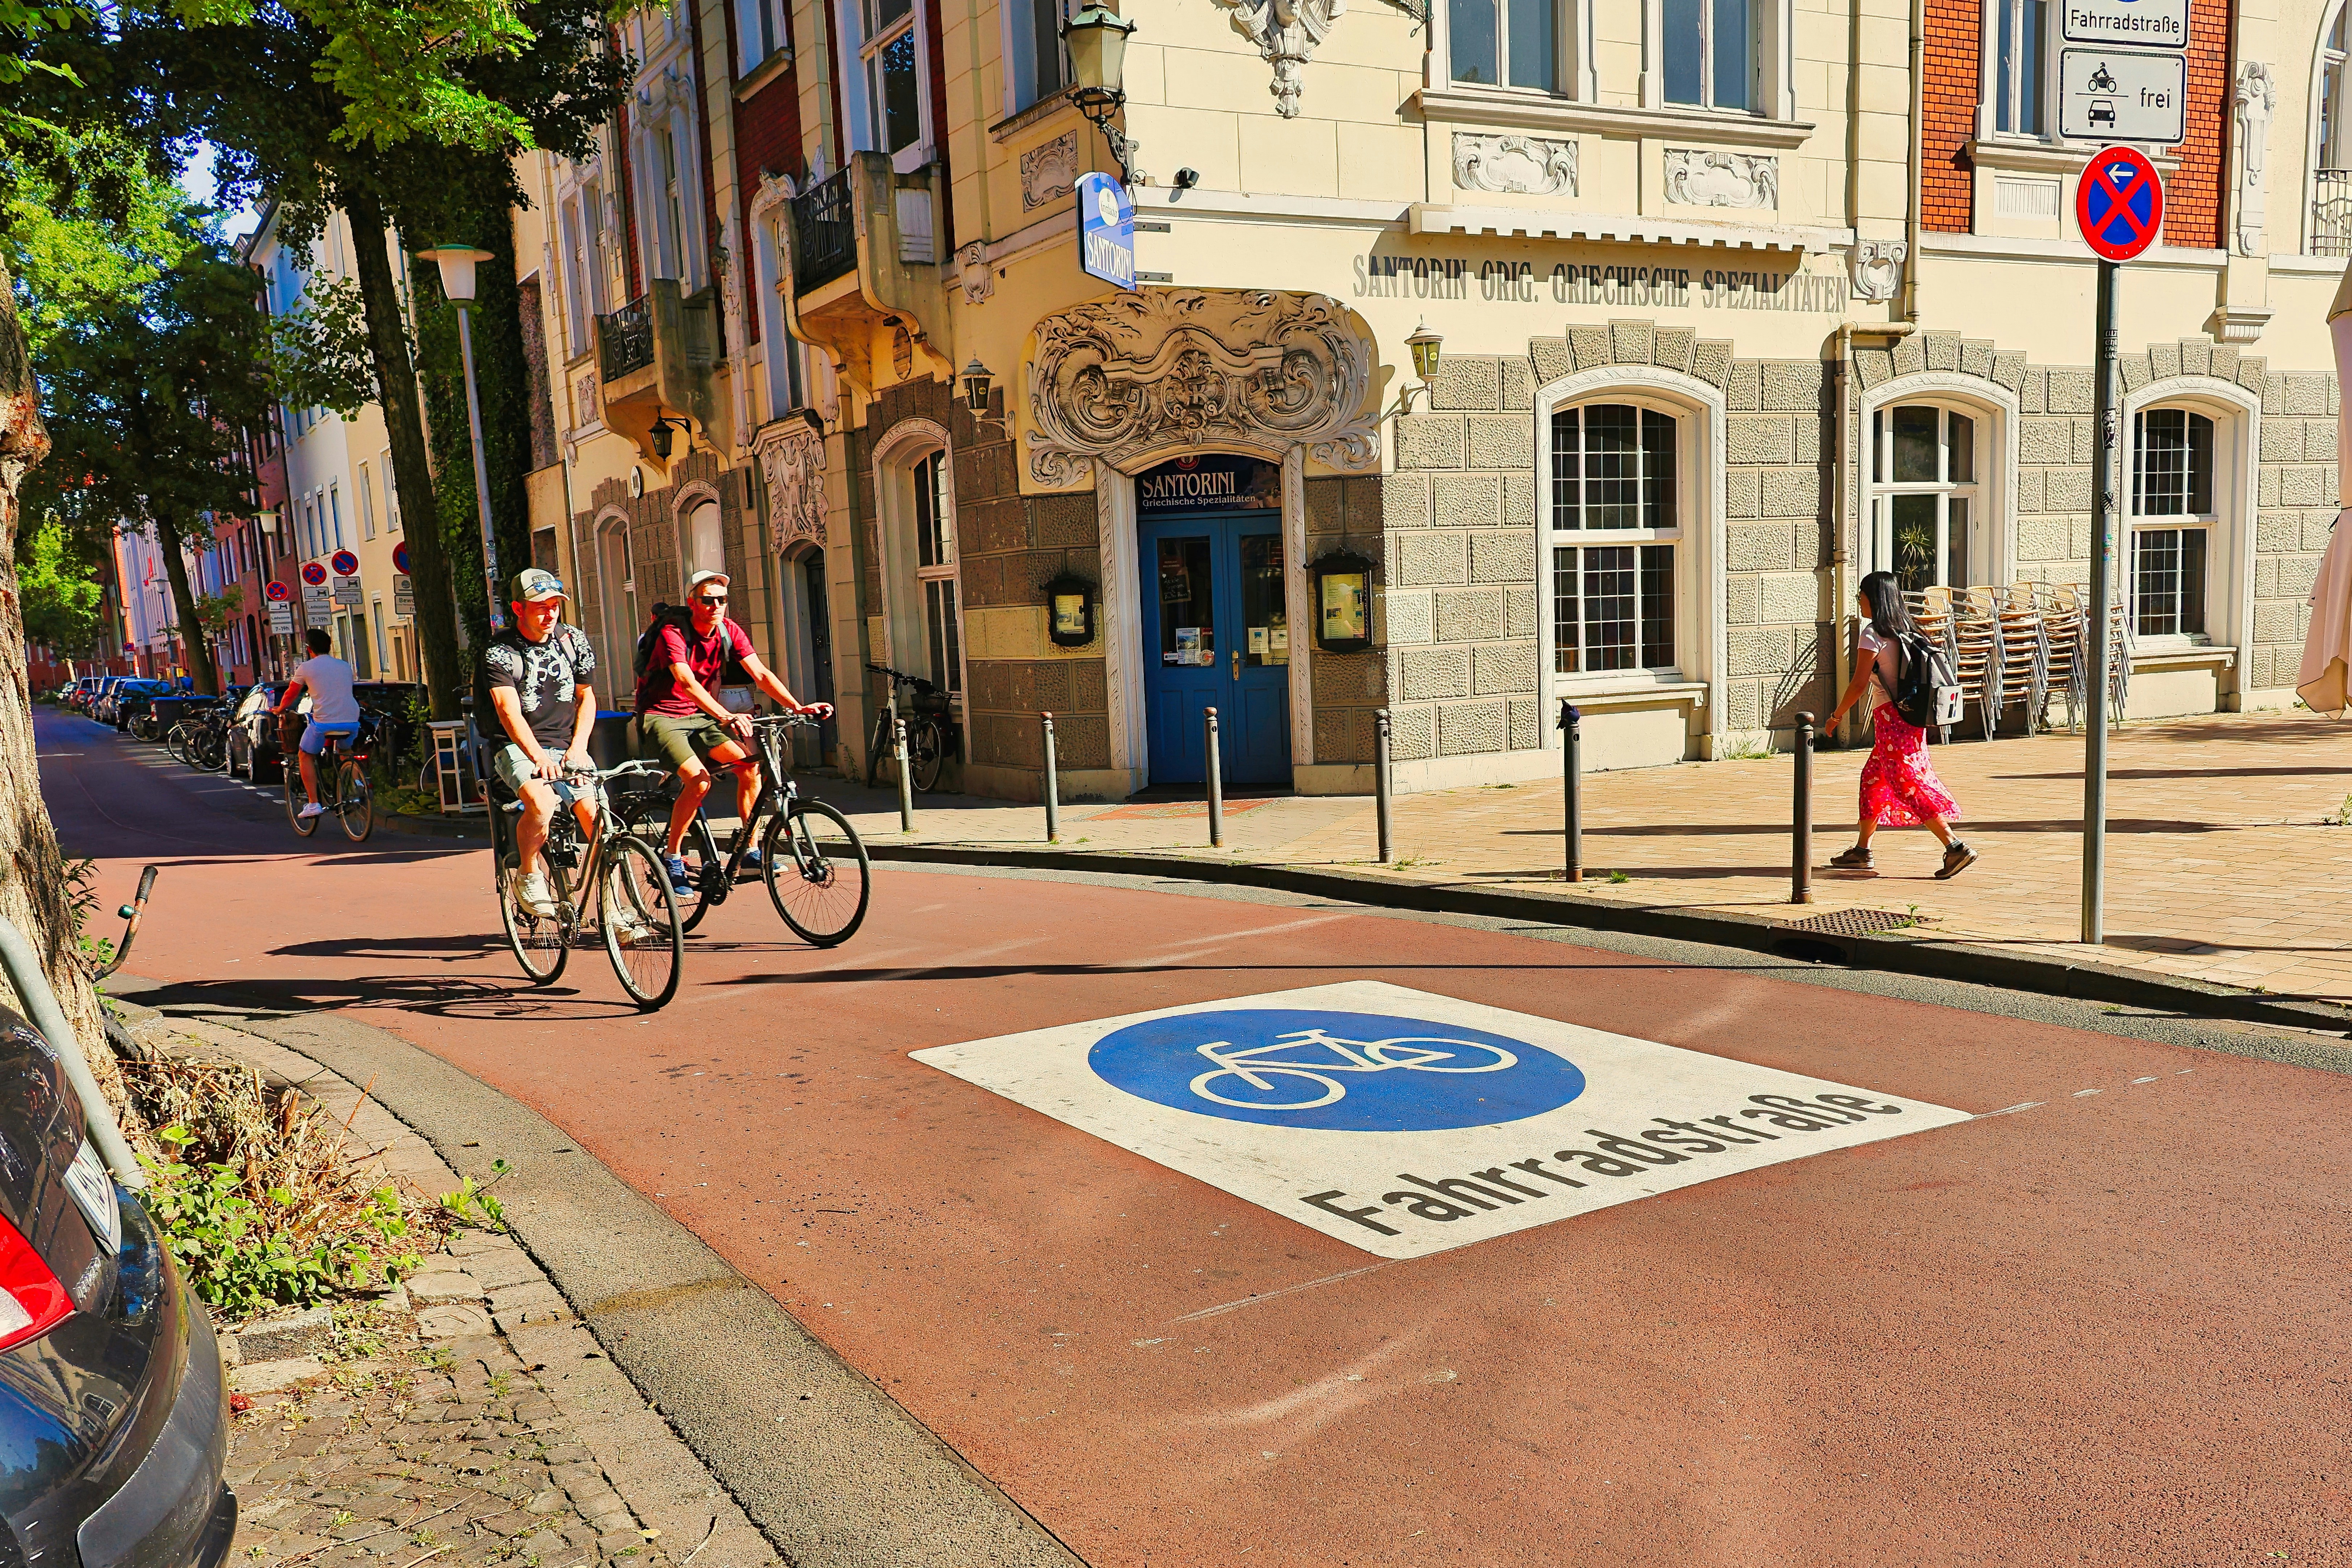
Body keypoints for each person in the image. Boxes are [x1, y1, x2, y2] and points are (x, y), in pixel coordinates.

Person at [635, 569, 831, 896]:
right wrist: (727, 715)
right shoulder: (674, 632)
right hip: (663, 716)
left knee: (748, 765)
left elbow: (762, 674)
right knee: (699, 781)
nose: (716, 606)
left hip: (701, 715)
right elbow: (687, 682)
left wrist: (798, 706)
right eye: (708, 600)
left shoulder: (729, 630)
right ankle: (673, 857)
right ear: (693, 603)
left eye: (722, 600)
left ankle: (751, 849)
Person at [1822, 570, 1978, 879]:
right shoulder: (1908, 630)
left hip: (1892, 722)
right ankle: (1862, 851)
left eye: (1861, 596)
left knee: (1906, 784)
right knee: (1872, 779)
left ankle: (1954, 846)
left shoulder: (1872, 634)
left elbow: (1857, 684)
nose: (1859, 602)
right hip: (1911, 718)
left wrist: (1836, 716)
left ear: (1873, 599)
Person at [486, 569, 601, 919]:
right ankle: (528, 873)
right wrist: (538, 757)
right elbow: (508, 711)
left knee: (599, 821)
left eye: (555, 606)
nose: (550, 614)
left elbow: (587, 697)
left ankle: (610, 908)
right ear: (519, 609)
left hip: (568, 746)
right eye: (540, 607)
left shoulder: (573, 640)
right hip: (517, 748)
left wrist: (578, 747)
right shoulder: (500, 650)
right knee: (542, 800)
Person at [272, 627, 360, 821]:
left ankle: (313, 803)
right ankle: (358, 784)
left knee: (305, 754)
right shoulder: (345, 665)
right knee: (346, 752)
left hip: (323, 723)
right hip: (353, 721)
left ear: (308, 648)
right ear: (330, 647)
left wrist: (279, 709)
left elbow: (291, 694)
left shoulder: (306, 668)